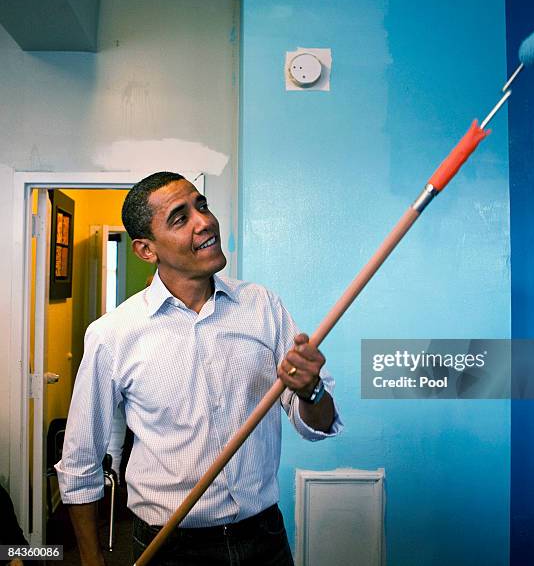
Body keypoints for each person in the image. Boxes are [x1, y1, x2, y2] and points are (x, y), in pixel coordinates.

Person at [55, 172, 343, 566]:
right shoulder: (113, 335)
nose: (204, 221)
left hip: (264, 538)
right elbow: (80, 462)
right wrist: (91, 561)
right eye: (179, 218)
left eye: (201, 206)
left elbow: (318, 426)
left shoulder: (262, 307)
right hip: (169, 548)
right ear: (145, 249)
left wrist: (311, 390)